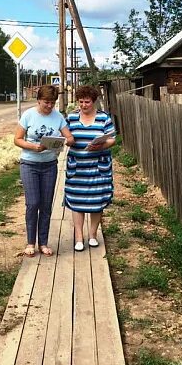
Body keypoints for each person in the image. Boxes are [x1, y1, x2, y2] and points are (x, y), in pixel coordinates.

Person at [14, 85, 74, 257]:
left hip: (49, 165)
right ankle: (30, 242)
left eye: (52, 103)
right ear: (38, 100)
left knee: (46, 205)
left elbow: (69, 137)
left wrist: (65, 141)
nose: (49, 106)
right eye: (46, 102)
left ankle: (44, 242)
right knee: (33, 203)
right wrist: (33, 146)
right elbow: (17, 139)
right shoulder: (28, 115)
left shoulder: (58, 117)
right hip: (29, 164)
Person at [64, 85, 116, 251]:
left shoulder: (104, 118)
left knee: (97, 201)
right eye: (81, 102)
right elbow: (64, 136)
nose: (84, 105)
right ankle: (79, 237)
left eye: (87, 102)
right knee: (76, 200)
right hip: (77, 168)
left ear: (94, 101)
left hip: (98, 167)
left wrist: (101, 146)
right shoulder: (71, 118)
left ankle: (93, 235)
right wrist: (67, 140)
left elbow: (112, 139)